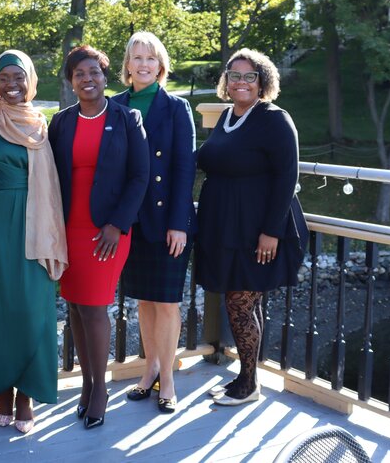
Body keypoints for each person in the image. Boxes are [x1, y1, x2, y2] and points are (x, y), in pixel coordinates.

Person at [195, 48, 307, 406]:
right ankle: (246, 377)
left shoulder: (274, 119)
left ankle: (248, 385)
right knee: (244, 302)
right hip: (226, 225)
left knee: (240, 304)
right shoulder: (227, 116)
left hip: (258, 229)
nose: (241, 82)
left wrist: (271, 231)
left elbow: (288, 175)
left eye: (249, 76)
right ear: (226, 81)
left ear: (263, 82)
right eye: (235, 76)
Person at [48, 45, 149, 429]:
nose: (88, 79)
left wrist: (117, 224)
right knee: (74, 306)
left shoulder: (127, 118)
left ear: (106, 76)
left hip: (106, 232)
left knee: (94, 308)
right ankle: (87, 387)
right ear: (71, 81)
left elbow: (140, 176)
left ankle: (100, 389)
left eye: (94, 72)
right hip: (68, 229)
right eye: (79, 74)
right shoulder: (61, 122)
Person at [0, 50, 68, 434]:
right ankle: (1, 394)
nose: (12, 85)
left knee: (32, 310)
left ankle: (26, 394)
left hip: (37, 225)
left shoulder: (45, 126)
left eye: (19, 77)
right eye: (4, 78)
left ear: (31, 80)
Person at [111, 32, 197, 415]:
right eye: (136, 58)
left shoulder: (177, 107)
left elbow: (184, 167)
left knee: (167, 303)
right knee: (144, 300)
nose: (143, 64)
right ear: (127, 65)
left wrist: (179, 222)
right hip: (131, 220)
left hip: (168, 222)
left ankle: (169, 381)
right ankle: (149, 372)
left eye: (150, 58)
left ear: (160, 65)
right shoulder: (115, 106)